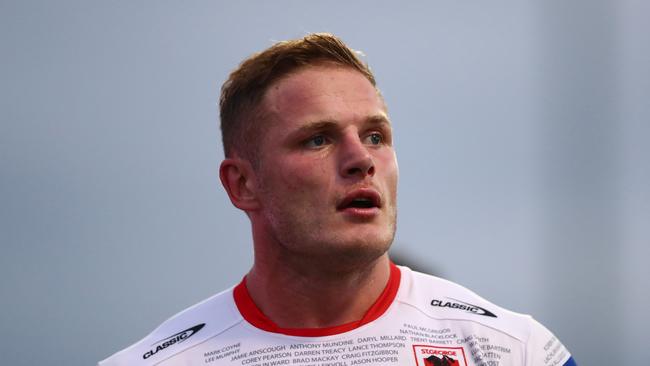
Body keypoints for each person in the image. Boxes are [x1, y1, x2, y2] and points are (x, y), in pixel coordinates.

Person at [99, 33, 576, 366]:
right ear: (243, 185)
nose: (359, 161)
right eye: (318, 140)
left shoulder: (513, 351)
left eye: (374, 135)